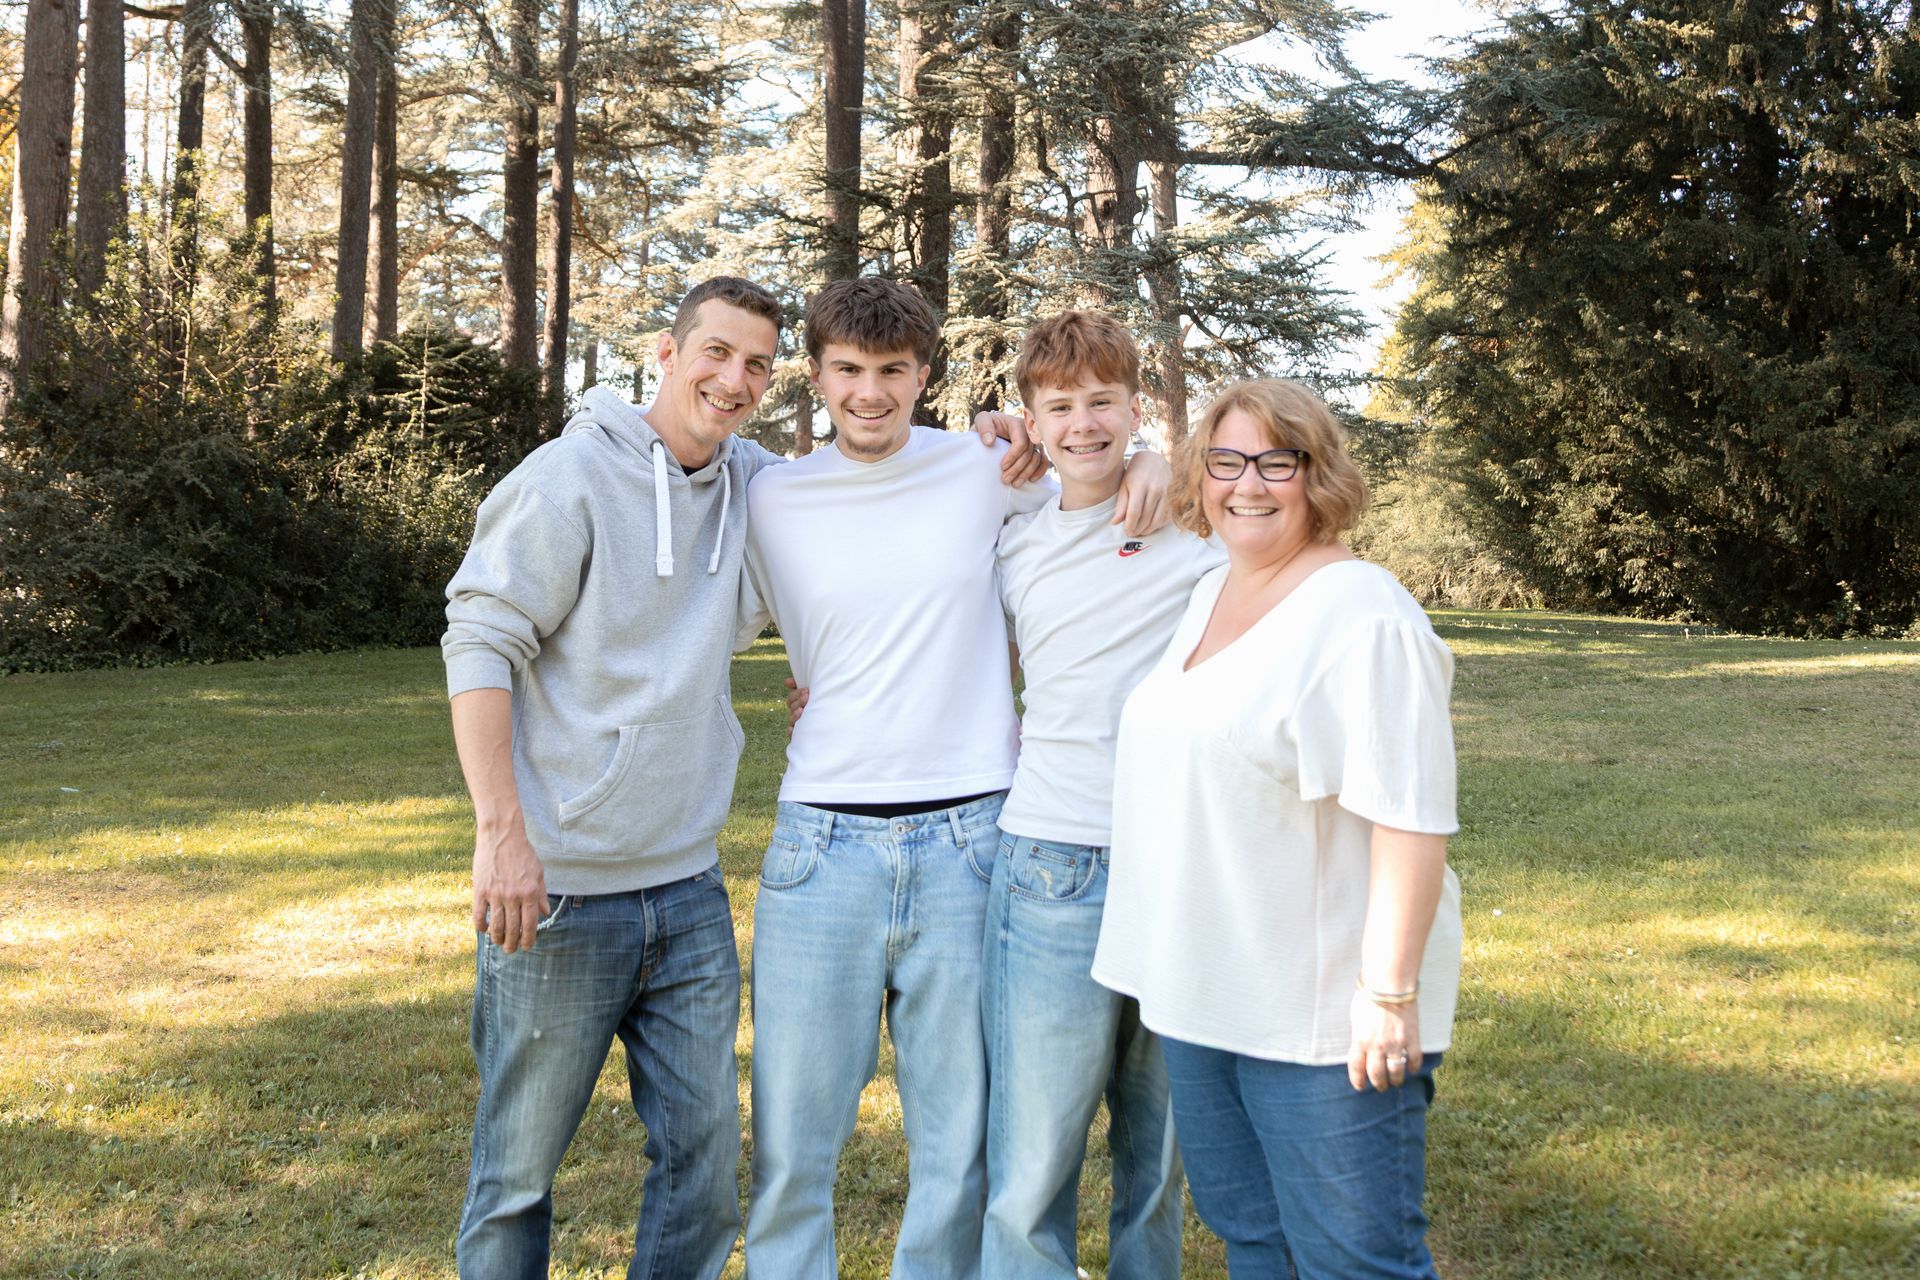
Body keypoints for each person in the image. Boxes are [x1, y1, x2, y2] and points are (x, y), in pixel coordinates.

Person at [440, 273, 1032, 1280]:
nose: (734, 376)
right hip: (622, 877)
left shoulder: (808, 480)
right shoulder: (641, 482)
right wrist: (501, 830)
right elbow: (481, 634)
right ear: (668, 353)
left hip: (733, 878)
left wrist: (1033, 433)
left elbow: (1090, 497)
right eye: (716, 351)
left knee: (728, 1158)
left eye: (754, 362)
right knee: (534, 1170)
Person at [734, 278, 1169, 1280]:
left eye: (892, 371)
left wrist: (1155, 458)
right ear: (817, 374)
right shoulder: (771, 494)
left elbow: (1091, 455)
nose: (871, 393)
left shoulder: (987, 467)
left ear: (922, 374)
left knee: (957, 1141)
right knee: (794, 1141)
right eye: (848, 370)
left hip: (973, 839)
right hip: (819, 847)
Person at [1090, 378, 1462, 1280]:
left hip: (1322, 1016)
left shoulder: (1364, 616)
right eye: (1225, 461)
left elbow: (1410, 823)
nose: (1246, 485)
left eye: (1275, 462)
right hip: (1208, 991)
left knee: (1353, 1262)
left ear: (1317, 473)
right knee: (1254, 1240)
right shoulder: (1215, 586)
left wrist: (1388, 995)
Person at [980, 311, 1223, 1280]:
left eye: (1103, 403)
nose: (1084, 423)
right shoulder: (1010, 538)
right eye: (1060, 405)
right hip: (1050, 863)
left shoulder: (1196, 540)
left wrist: (1166, 460)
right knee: (1035, 1153)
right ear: (1033, 421)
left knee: (1155, 1153)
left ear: (1135, 408)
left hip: (1175, 866)